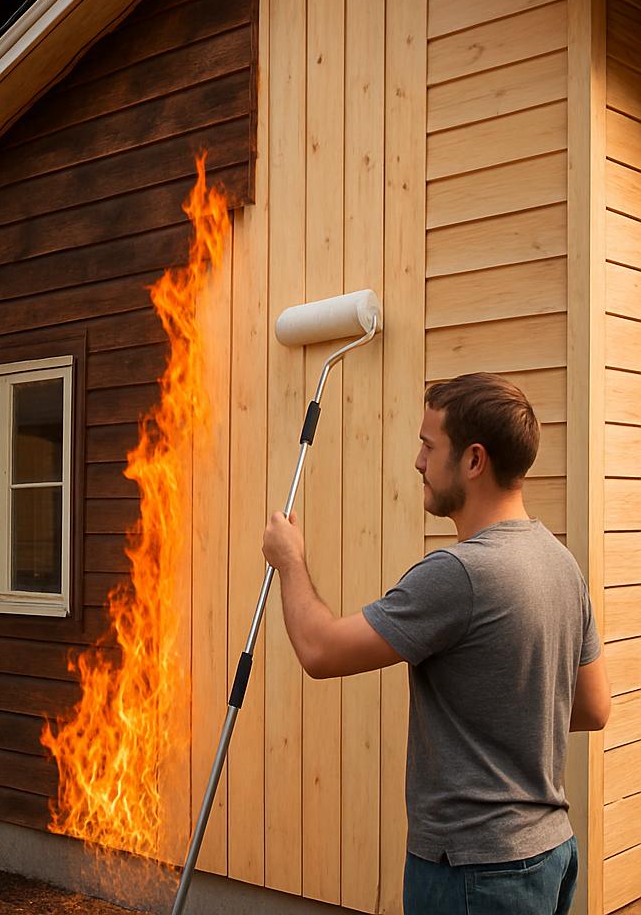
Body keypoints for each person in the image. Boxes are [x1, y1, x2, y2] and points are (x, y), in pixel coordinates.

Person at [262, 371, 611, 915]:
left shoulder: (459, 574)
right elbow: (593, 706)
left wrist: (289, 559)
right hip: (549, 855)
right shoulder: (560, 563)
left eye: (429, 446)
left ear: (473, 460)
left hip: (474, 872)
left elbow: (319, 649)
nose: (418, 462)